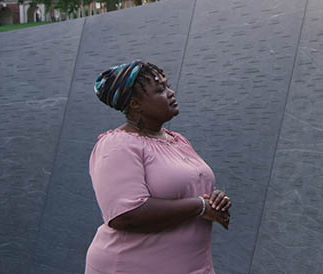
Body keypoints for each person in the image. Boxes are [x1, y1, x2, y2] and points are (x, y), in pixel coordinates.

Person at [86, 60, 231, 274]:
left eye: (167, 86)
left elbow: (191, 192)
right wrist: (200, 206)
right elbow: (126, 214)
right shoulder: (118, 145)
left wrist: (216, 202)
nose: (171, 93)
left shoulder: (177, 140)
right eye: (160, 90)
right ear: (135, 104)